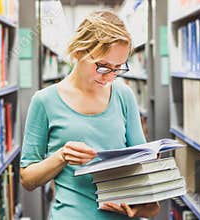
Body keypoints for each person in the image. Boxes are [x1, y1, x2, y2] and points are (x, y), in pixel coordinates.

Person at [20, 10, 161, 220]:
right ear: (79, 51)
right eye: (103, 67)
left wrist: (142, 207)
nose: (110, 77)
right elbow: (28, 180)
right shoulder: (45, 101)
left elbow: (148, 194)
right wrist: (61, 156)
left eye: (117, 69)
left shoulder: (123, 95)